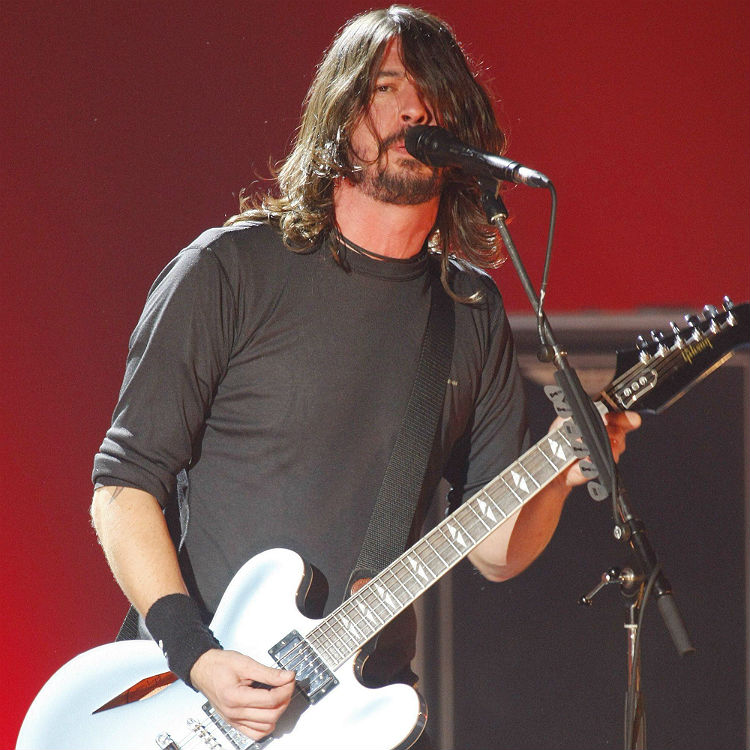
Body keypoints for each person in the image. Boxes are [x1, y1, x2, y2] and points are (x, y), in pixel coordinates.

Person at [90, 5, 640, 746]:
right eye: (386, 87)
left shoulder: (468, 313)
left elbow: (495, 551)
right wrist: (199, 657)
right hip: (198, 700)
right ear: (340, 114)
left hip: (361, 711)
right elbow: (124, 488)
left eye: (433, 92)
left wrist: (562, 474)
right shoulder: (229, 272)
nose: (413, 107)